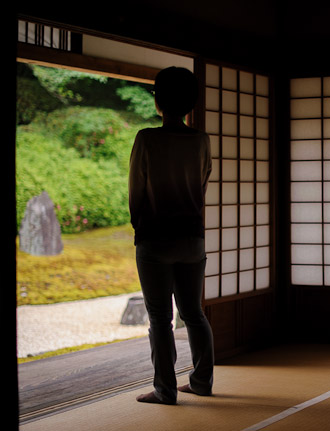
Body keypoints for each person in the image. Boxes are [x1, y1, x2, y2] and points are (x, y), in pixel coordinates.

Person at [129, 66, 214, 405]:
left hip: (155, 237)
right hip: (192, 236)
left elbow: (136, 191)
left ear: (159, 100)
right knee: (194, 312)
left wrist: (140, 226)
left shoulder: (147, 138)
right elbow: (203, 184)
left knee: (161, 319)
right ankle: (202, 382)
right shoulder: (200, 140)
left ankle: (165, 389)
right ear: (191, 102)